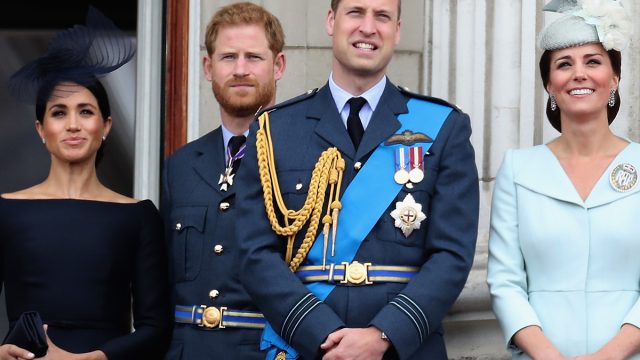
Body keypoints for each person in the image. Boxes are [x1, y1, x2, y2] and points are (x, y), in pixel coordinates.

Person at [235, 0, 479, 358]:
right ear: (332, 21)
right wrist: (323, 335)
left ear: (397, 30)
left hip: (402, 348)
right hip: (307, 346)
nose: (368, 27)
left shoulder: (444, 127)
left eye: (382, 16)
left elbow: (452, 255)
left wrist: (383, 335)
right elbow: (254, 253)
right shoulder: (274, 130)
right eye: (356, 12)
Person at [0, 8, 171, 360]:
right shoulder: (6, 210)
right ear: (40, 129)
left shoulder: (138, 217)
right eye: (59, 112)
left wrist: (94, 359)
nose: (73, 124)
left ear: (105, 126)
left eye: (86, 111)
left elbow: (157, 327)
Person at [487, 0, 639, 358]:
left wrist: (611, 355)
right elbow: (505, 281)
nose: (579, 73)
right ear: (550, 85)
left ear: (614, 78)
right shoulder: (518, 169)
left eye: (593, 61)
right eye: (564, 64)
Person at [161, 2, 286, 359]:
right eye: (229, 57)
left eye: (254, 57)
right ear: (207, 67)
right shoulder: (180, 166)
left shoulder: (307, 160)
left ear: (278, 66)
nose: (241, 70)